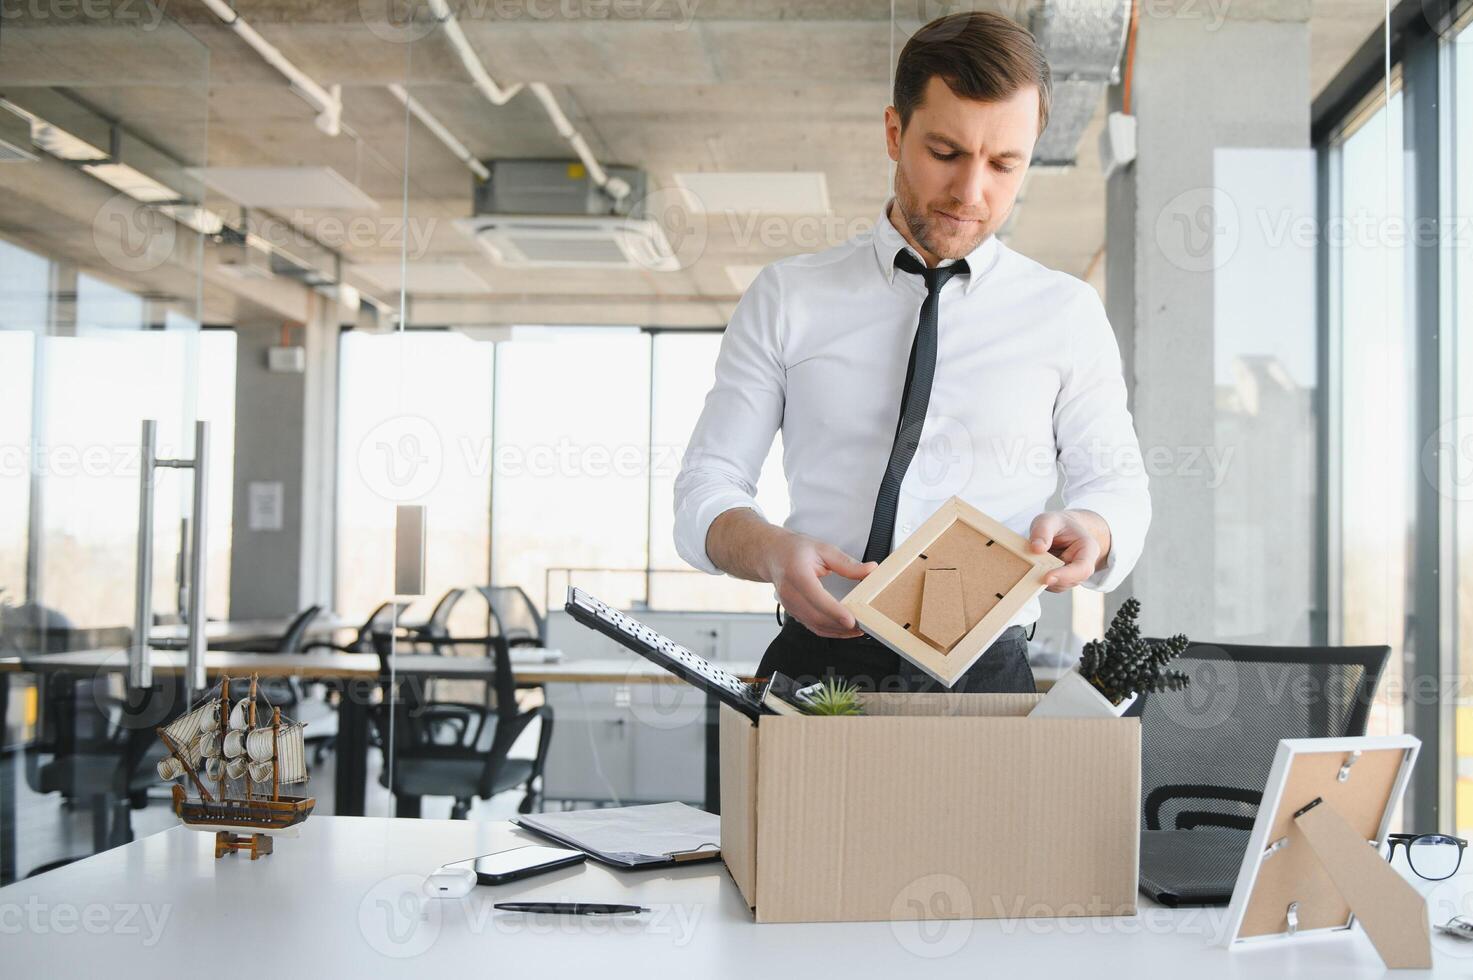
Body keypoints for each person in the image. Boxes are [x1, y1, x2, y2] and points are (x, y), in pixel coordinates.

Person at [672, 11, 1150, 694]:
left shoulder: (1065, 313)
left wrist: (1091, 528)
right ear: (895, 134)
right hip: (815, 665)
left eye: (1003, 164)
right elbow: (706, 487)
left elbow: (1118, 486)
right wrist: (772, 551)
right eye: (946, 153)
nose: (971, 192)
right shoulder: (788, 296)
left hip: (986, 672)